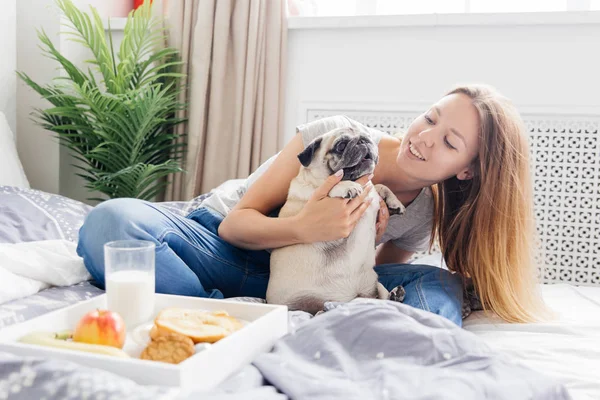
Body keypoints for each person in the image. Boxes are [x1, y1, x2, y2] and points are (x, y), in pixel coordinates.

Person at [77, 84, 548, 327]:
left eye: (449, 141)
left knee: (440, 285)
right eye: (429, 117)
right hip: (227, 248)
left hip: (308, 283)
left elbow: (372, 279)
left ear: (467, 169)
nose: (423, 137)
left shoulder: (422, 212)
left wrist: (360, 241)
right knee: (111, 221)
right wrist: (307, 226)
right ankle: (228, 315)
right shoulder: (337, 135)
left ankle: (400, 337)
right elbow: (235, 226)